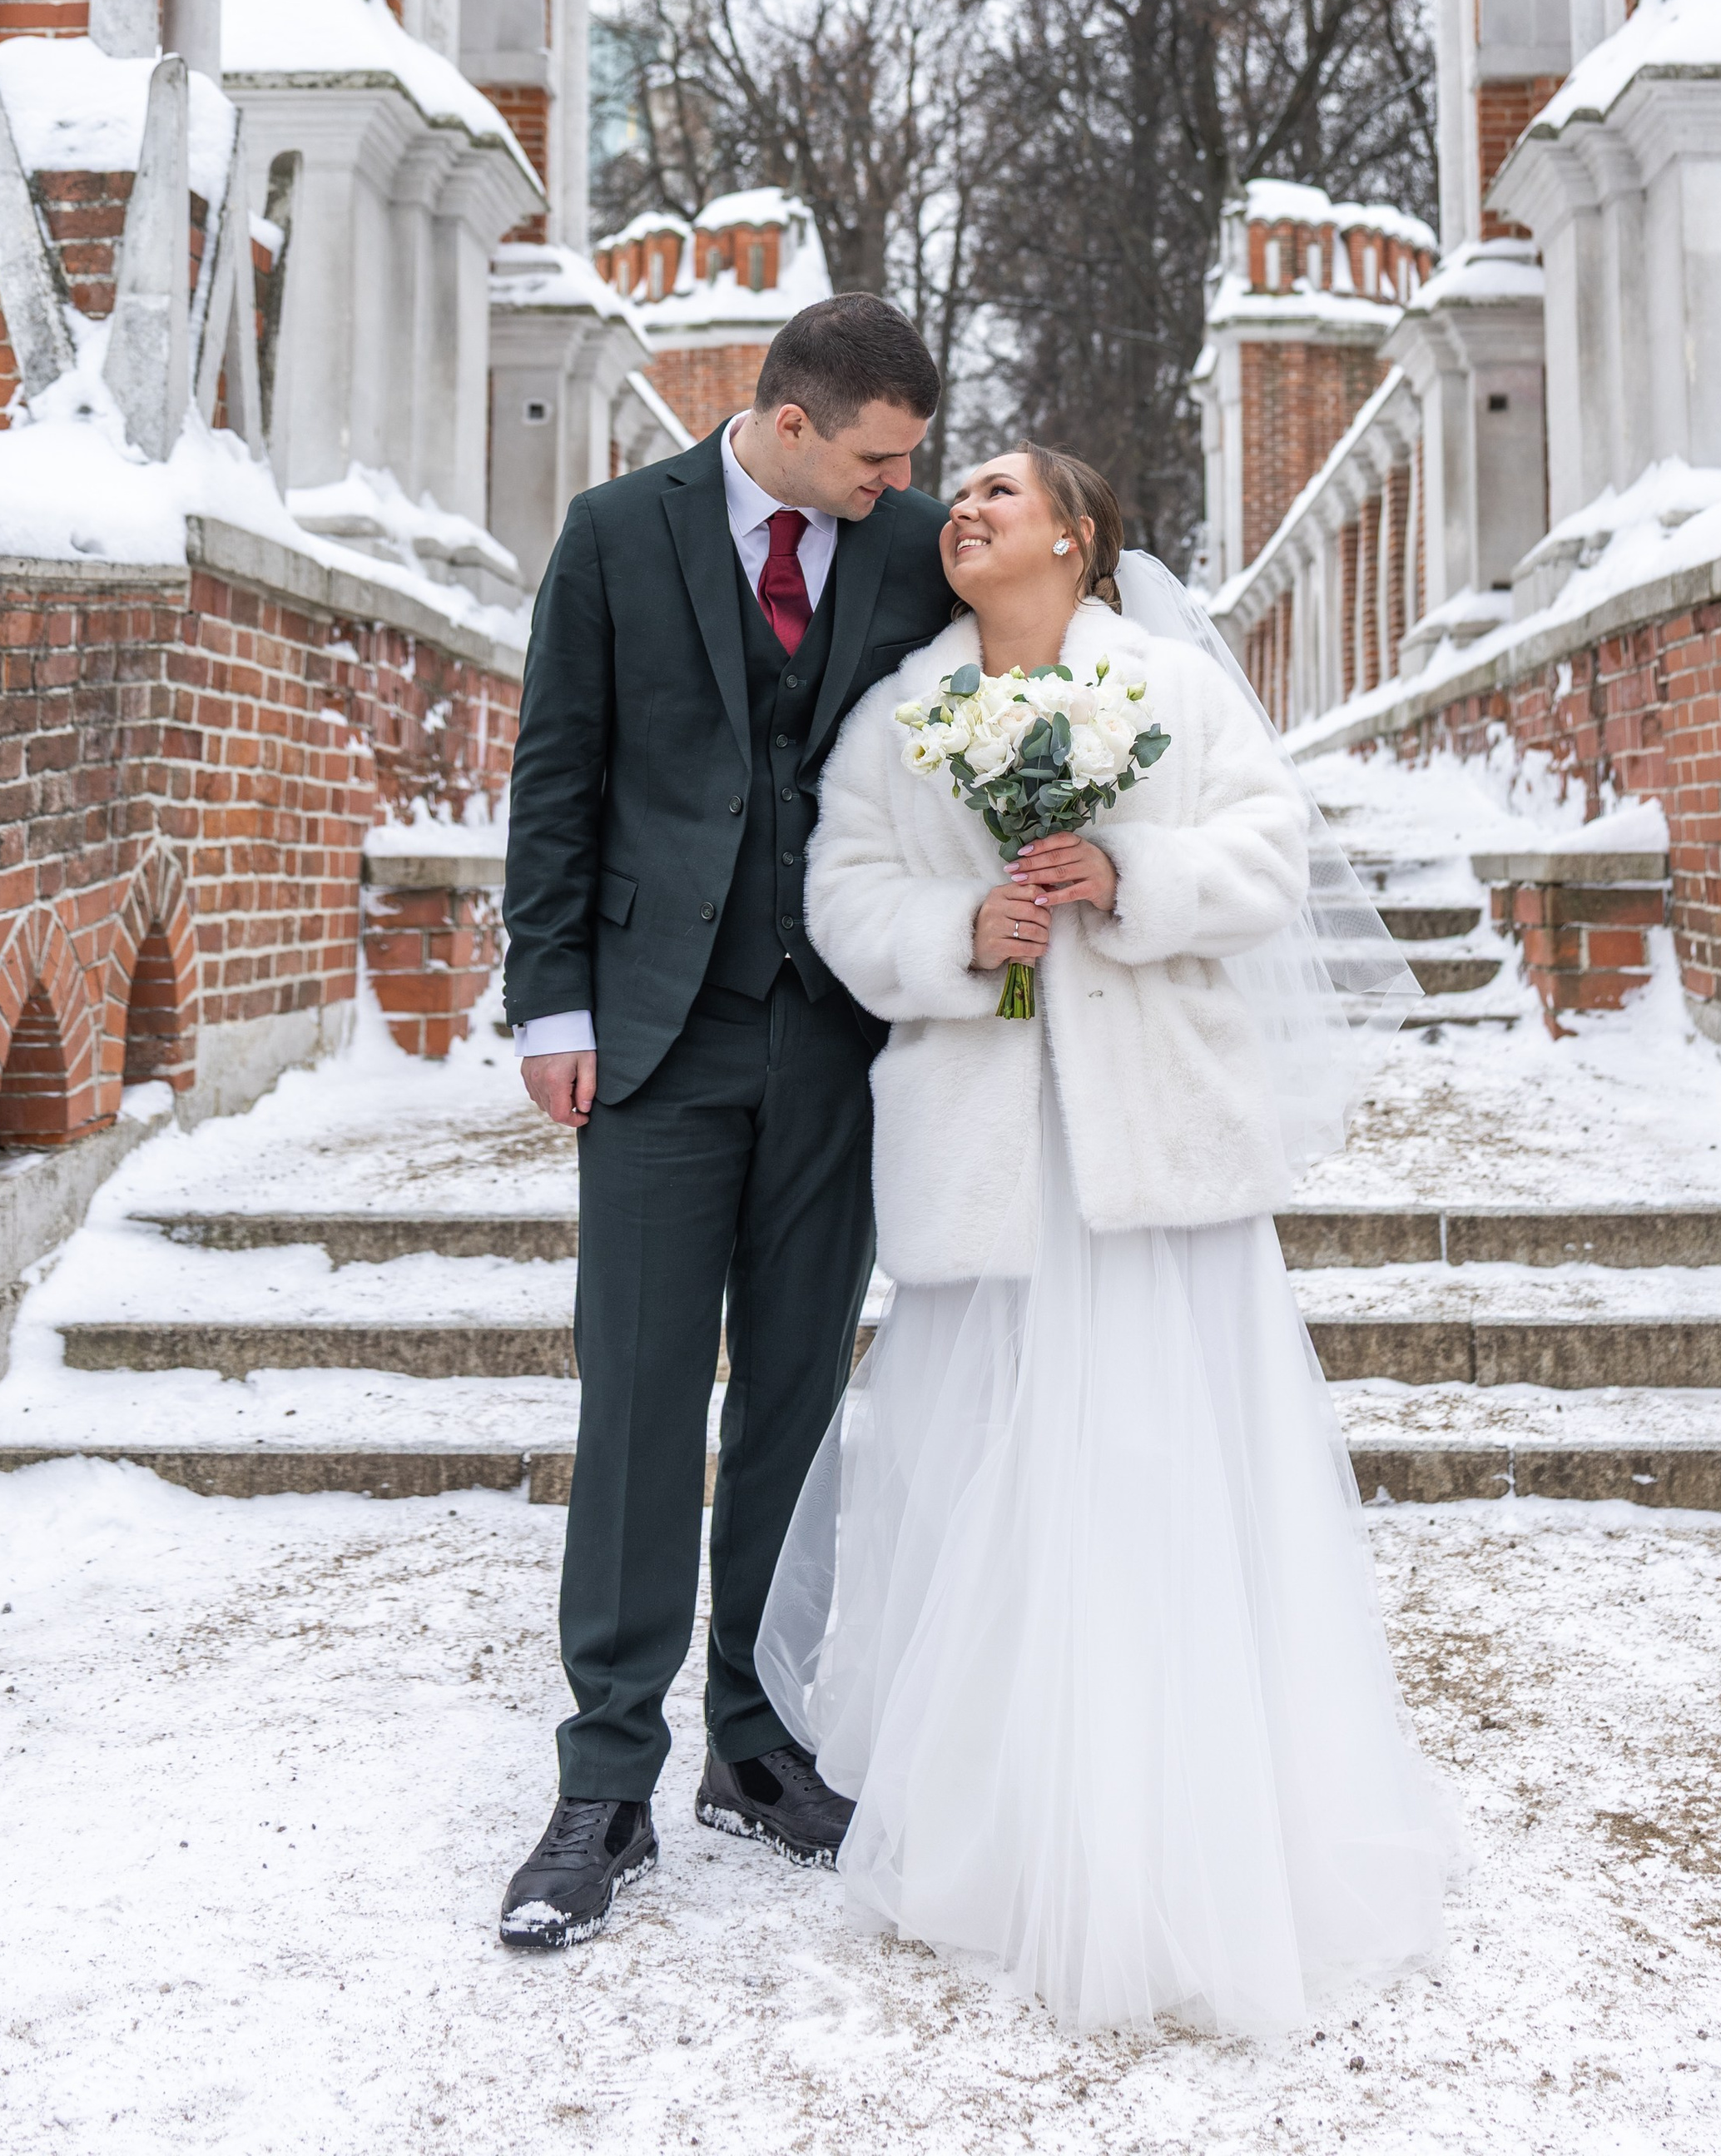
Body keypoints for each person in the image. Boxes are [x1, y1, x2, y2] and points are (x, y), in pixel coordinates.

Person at [756, 445, 1457, 2034]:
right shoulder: (898, 711)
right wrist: (965, 932)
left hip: (1158, 1149)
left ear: (1078, 536)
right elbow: (844, 888)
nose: (970, 511)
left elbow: (1269, 855)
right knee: (983, 1466)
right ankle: (1003, 1818)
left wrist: (1127, 871)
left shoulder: (1172, 690)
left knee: (1165, 1460)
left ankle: (1193, 1807)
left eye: (1005, 491)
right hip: (985, 1160)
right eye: (964, 493)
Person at [497, 295, 955, 1949]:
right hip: (653, 1043)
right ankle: (605, 1778)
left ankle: (755, 1745)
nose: (902, 485)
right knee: (635, 1399)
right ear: (787, 418)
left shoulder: (904, 552)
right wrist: (549, 999)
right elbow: (559, 771)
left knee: (790, 1402)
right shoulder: (619, 534)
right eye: (879, 457)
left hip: (834, 1041)